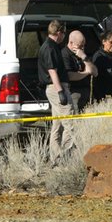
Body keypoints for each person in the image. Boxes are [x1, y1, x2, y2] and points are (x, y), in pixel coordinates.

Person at [38, 19, 76, 164]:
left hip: (54, 88)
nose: (64, 36)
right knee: (70, 123)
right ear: (59, 32)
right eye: (64, 33)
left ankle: (56, 158)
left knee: (58, 125)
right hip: (56, 87)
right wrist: (61, 92)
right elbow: (52, 71)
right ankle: (66, 156)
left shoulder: (51, 46)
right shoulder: (50, 48)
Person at [61, 30, 97, 112]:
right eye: (80, 46)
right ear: (71, 43)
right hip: (74, 92)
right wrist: (86, 73)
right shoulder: (64, 55)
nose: (82, 48)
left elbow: (95, 72)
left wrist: (84, 57)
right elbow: (70, 75)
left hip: (88, 91)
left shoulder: (82, 54)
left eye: (84, 46)